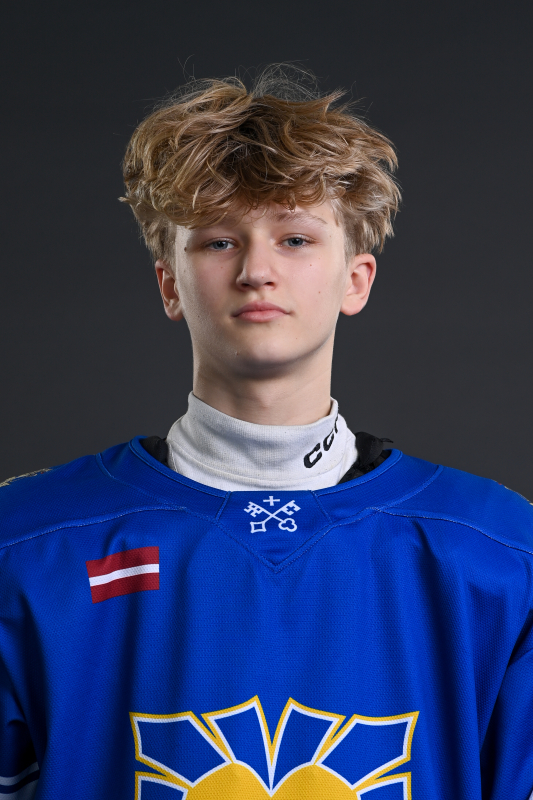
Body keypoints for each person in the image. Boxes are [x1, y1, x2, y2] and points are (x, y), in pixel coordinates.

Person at [1, 66, 532, 800]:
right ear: (169, 283)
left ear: (356, 279)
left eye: (295, 238)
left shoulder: (500, 555)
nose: (257, 270)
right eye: (219, 241)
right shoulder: (27, 545)